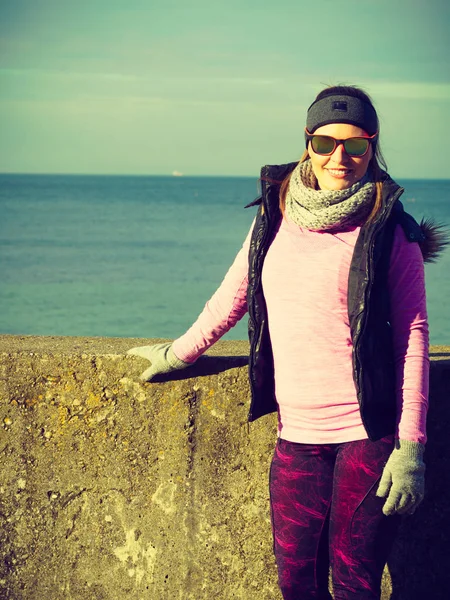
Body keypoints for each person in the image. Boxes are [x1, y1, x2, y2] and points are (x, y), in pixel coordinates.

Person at [128, 85, 448, 599]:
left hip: (368, 433)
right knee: (296, 581)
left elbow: (413, 337)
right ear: (307, 143)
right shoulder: (274, 215)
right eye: (325, 143)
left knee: (354, 583)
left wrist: (411, 448)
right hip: (297, 435)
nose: (339, 157)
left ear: (373, 145)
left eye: (356, 145)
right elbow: (233, 296)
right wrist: (177, 353)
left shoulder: (393, 231)